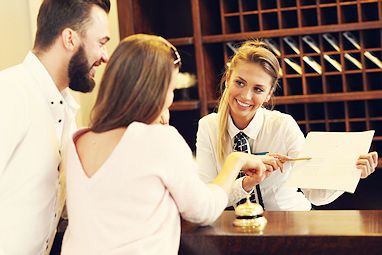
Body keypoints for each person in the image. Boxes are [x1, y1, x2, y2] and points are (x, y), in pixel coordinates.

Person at [60, 34, 270, 254]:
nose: (170, 99)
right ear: (155, 92)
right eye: (170, 90)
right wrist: (235, 161)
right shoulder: (159, 140)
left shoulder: (77, 141)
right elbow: (204, 209)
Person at [196, 40, 379, 211]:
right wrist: (246, 183)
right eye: (240, 83)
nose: (246, 96)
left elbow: (313, 194)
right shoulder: (207, 127)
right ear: (228, 79)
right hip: (242, 226)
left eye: (258, 89)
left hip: (291, 221)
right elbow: (206, 198)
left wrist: (350, 174)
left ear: (269, 94)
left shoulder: (283, 125)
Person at [0, 0, 111, 254]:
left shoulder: (67, 111)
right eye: (101, 43)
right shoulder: (9, 93)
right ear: (70, 39)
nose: (105, 56)